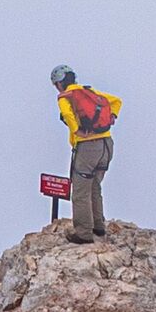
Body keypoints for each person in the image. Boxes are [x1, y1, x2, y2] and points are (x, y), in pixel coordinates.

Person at [52, 66, 123, 243]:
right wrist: (112, 116)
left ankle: (84, 234)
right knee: (95, 186)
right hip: (107, 144)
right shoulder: (89, 92)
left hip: (88, 147)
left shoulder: (65, 97)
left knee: (80, 191)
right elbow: (116, 101)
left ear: (60, 83)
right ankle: (98, 227)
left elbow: (67, 114)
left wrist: (77, 131)